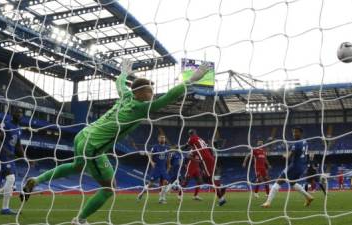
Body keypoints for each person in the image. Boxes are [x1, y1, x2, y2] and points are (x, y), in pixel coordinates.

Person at [21, 59, 211, 225]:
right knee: (109, 188)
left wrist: (124, 73)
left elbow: (119, 83)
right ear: (141, 93)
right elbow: (169, 97)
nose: (152, 95)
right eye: (150, 92)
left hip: (84, 135)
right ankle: (79, 220)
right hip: (94, 145)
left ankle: (36, 180)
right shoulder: (140, 107)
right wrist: (191, 80)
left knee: (78, 167)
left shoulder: (126, 96)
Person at [262, 127, 314, 208]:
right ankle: (308, 197)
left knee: (278, 181)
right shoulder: (305, 142)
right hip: (302, 167)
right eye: (293, 132)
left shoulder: (296, 143)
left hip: (294, 166)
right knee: (292, 183)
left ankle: (268, 202)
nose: (294, 134)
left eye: (296, 132)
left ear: (301, 133)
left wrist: (284, 155)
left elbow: (288, 155)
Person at [0, 110, 24, 215]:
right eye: (17, 112)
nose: (19, 114)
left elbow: (18, 146)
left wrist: (26, 157)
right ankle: (5, 209)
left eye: (21, 113)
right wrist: (7, 151)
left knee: (12, 186)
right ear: (13, 114)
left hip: (10, 158)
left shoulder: (19, 129)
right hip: (1, 156)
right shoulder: (6, 124)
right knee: (10, 179)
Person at [187, 129, 226, 206]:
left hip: (205, 160)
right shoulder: (200, 141)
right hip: (210, 159)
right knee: (206, 179)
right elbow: (208, 149)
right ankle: (220, 187)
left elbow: (187, 148)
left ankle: (221, 197)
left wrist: (177, 148)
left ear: (190, 134)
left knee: (210, 179)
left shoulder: (192, 139)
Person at [137, 135, 170, 204]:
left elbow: (168, 158)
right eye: (161, 138)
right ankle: (141, 193)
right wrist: (151, 162)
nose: (162, 139)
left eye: (163, 138)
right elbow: (150, 154)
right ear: (158, 139)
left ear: (165, 139)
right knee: (150, 184)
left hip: (163, 168)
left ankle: (161, 198)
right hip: (157, 168)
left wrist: (168, 166)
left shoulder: (167, 148)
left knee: (166, 182)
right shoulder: (155, 147)